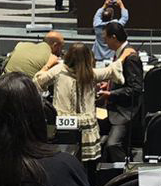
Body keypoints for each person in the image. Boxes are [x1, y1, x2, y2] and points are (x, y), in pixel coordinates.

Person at [36, 41, 121, 169]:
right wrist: (124, 55)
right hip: (86, 127)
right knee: (87, 166)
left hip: (64, 124)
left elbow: (37, 81)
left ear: (69, 55)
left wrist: (48, 64)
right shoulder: (92, 73)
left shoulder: (59, 70)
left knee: (64, 159)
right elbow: (113, 70)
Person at [100, 23, 144, 155]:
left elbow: (135, 89)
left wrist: (111, 93)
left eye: (106, 38)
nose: (104, 42)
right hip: (115, 108)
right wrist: (109, 85)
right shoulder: (121, 53)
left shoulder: (130, 57)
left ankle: (123, 168)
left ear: (113, 37)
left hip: (125, 112)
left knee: (113, 145)